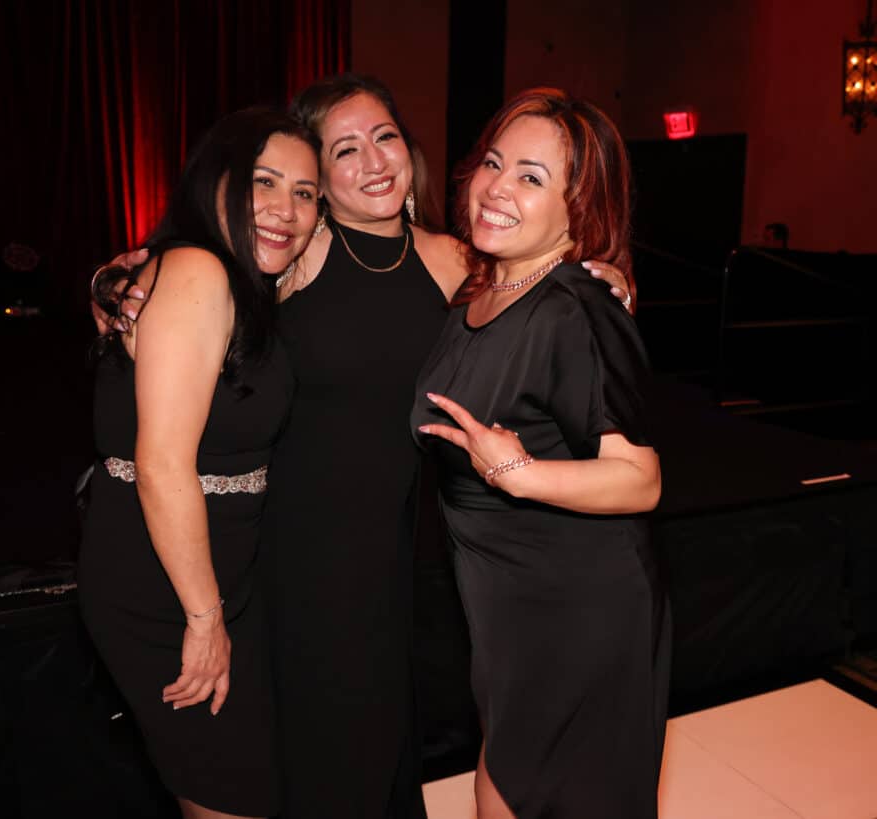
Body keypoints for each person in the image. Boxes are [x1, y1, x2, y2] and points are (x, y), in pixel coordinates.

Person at [92, 73, 634, 819]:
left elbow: (539, 280)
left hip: (387, 550)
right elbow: (186, 275)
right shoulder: (292, 250)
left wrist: (598, 275)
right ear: (319, 177)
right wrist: (115, 278)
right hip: (279, 550)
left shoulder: (458, 260)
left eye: (384, 137)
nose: (373, 161)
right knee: (291, 748)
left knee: (371, 734)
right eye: (344, 150)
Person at [412, 88, 670, 818]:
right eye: (495, 163)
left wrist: (517, 472)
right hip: (506, 603)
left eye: (532, 177)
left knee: (531, 792)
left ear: (578, 207)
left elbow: (641, 479)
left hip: (578, 605)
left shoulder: (574, 309)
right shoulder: (480, 284)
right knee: (509, 778)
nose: (498, 187)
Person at [78, 108, 320, 819]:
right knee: (229, 794)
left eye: (305, 193)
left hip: (212, 575)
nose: (286, 208)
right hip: (165, 586)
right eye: (264, 182)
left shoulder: (240, 277)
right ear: (216, 181)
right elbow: (160, 465)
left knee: (234, 786)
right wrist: (205, 619)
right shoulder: (197, 270)